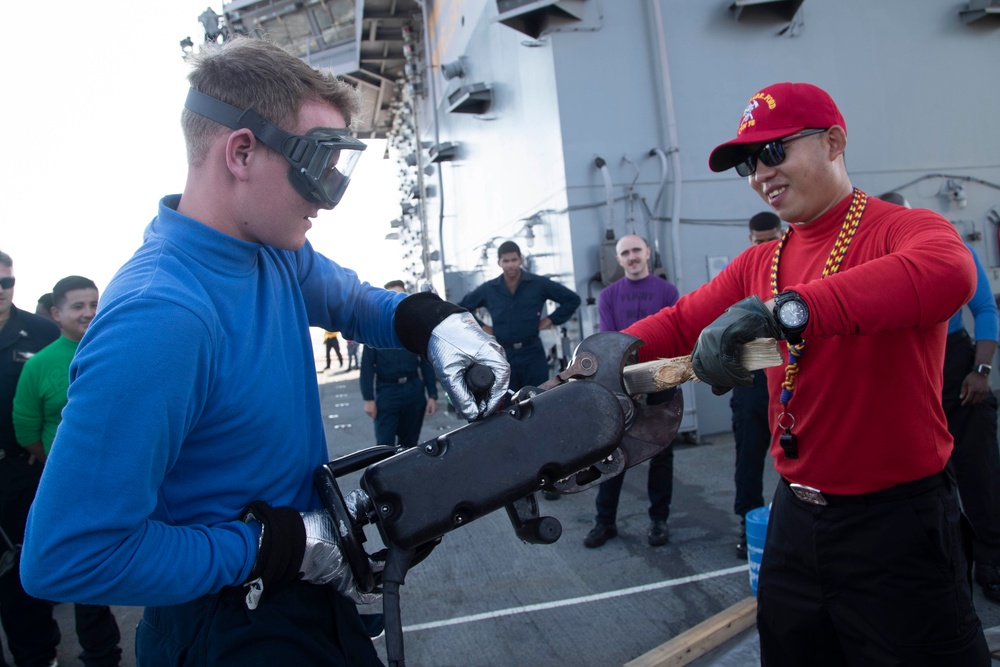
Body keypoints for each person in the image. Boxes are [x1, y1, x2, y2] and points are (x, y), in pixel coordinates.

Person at [20, 36, 509, 667]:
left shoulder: (272, 253)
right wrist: (269, 547)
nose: (325, 195)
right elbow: (67, 554)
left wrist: (437, 324)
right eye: (315, 164)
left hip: (300, 585)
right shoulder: (161, 318)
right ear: (242, 151)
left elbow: (356, 302)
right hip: (226, 624)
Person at [623, 82, 989, 663]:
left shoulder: (905, 229)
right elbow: (677, 322)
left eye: (774, 152)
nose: (760, 173)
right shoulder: (759, 261)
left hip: (897, 525)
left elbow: (948, 273)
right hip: (797, 516)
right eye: (748, 162)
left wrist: (786, 312)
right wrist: (595, 362)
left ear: (834, 142)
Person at [879, 191, 1000, 604]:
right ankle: (938, 571)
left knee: (979, 471)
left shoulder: (951, 249)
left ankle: (991, 562)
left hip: (957, 367)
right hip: (907, 372)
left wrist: (981, 371)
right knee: (919, 479)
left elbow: (985, 308)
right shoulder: (875, 260)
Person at [12, 276, 123, 667]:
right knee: (76, 567)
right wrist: (57, 466)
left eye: (94, 303)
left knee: (102, 573)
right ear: (56, 314)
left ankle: (102, 653)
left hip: (118, 481)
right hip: (66, 486)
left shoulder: (119, 347)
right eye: (78, 306)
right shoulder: (40, 365)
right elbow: (25, 426)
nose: (89, 313)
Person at [584, 235, 679, 548]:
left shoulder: (668, 291)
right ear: (619, 259)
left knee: (661, 453)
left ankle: (659, 520)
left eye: (637, 250)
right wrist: (626, 384)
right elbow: (611, 342)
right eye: (625, 253)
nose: (632, 256)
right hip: (622, 383)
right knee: (612, 452)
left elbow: (675, 334)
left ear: (648, 252)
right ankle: (605, 522)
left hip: (662, 377)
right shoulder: (609, 296)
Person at [0, 250, 60, 667]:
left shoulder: (40, 332)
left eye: (6, 282)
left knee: (24, 582)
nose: (1, 290)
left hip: (23, 473)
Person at [459, 240, 580, 391]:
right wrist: (482, 327)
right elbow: (461, 308)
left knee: (539, 399)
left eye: (514, 260)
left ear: (521, 260)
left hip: (533, 354)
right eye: (506, 261)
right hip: (503, 355)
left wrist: (550, 320)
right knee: (508, 404)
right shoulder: (489, 289)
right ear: (499, 263)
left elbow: (572, 300)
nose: (510, 265)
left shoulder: (538, 284)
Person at [730, 211, 782, 559]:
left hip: (794, 376)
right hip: (753, 377)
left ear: (782, 234)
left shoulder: (796, 266)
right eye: (759, 242)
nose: (765, 247)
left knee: (800, 452)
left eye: (771, 240)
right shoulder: (742, 272)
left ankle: (801, 522)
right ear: (750, 240)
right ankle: (747, 526)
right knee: (748, 457)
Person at [360, 281, 438, 449]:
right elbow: (366, 368)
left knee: (410, 446)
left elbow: (426, 363)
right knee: (384, 446)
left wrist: (432, 394)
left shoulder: (415, 329)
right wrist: (368, 399)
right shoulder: (373, 331)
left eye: (400, 296)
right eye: (391, 296)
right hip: (387, 393)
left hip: (413, 391)